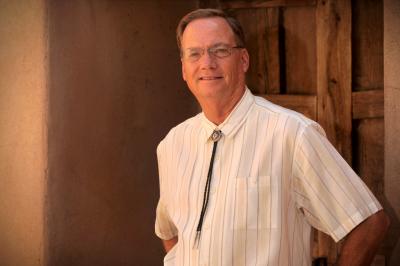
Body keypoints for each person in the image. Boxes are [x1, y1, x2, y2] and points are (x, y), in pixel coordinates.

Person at [155, 8, 390, 266]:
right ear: (184, 69)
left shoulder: (292, 133)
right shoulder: (172, 145)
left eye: (220, 50)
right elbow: (171, 232)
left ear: (243, 60)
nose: (207, 63)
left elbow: (369, 223)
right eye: (194, 53)